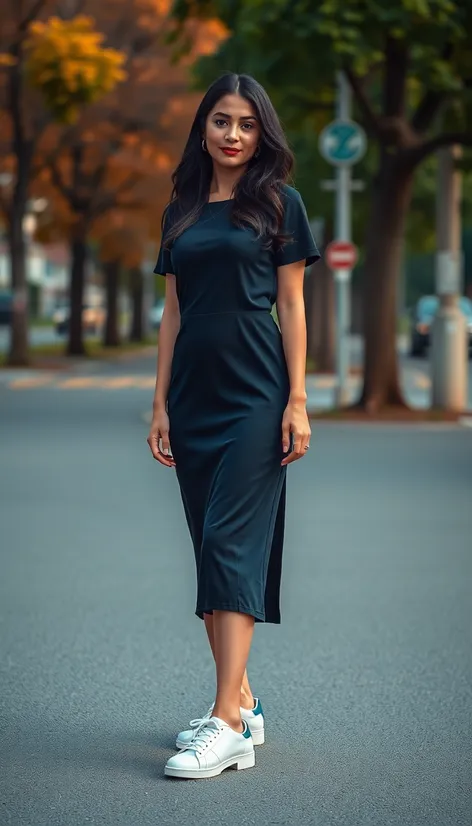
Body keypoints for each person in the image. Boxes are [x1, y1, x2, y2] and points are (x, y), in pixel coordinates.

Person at [147, 72, 320, 780]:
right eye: (222, 121)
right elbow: (174, 314)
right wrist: (158, 404)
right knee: (206, 552)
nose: (234, 135)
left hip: (255, 392)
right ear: (204, 128)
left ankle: (225, 726)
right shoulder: (181, 209)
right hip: (193, 396)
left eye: (247, 124)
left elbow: (292, 304)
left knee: (229, 543)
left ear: (262, 134)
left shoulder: (281, 203)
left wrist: (299, 398)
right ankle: (242, 700)